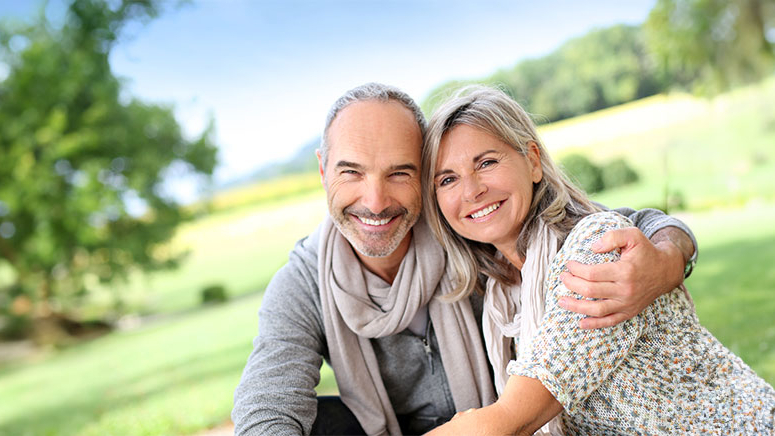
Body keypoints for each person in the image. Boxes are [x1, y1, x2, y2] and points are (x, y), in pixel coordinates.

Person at [231, 83, 698, 436]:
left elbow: (628, 224)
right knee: (323, 422)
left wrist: (668, 257)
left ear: (425, 175)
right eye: (351, 172)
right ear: (322, 169)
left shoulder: (465, 230)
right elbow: (266, 405)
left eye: (399, 173)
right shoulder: (306, 280)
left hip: (500, 425)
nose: (375, 201)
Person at [421, 85, 775, 435]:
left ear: (532, 161)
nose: (471, 190)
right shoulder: (502, 293)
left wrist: (671, 253)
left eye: (486, 162)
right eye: (448, 179)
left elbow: (504, 423)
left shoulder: (595, 252)